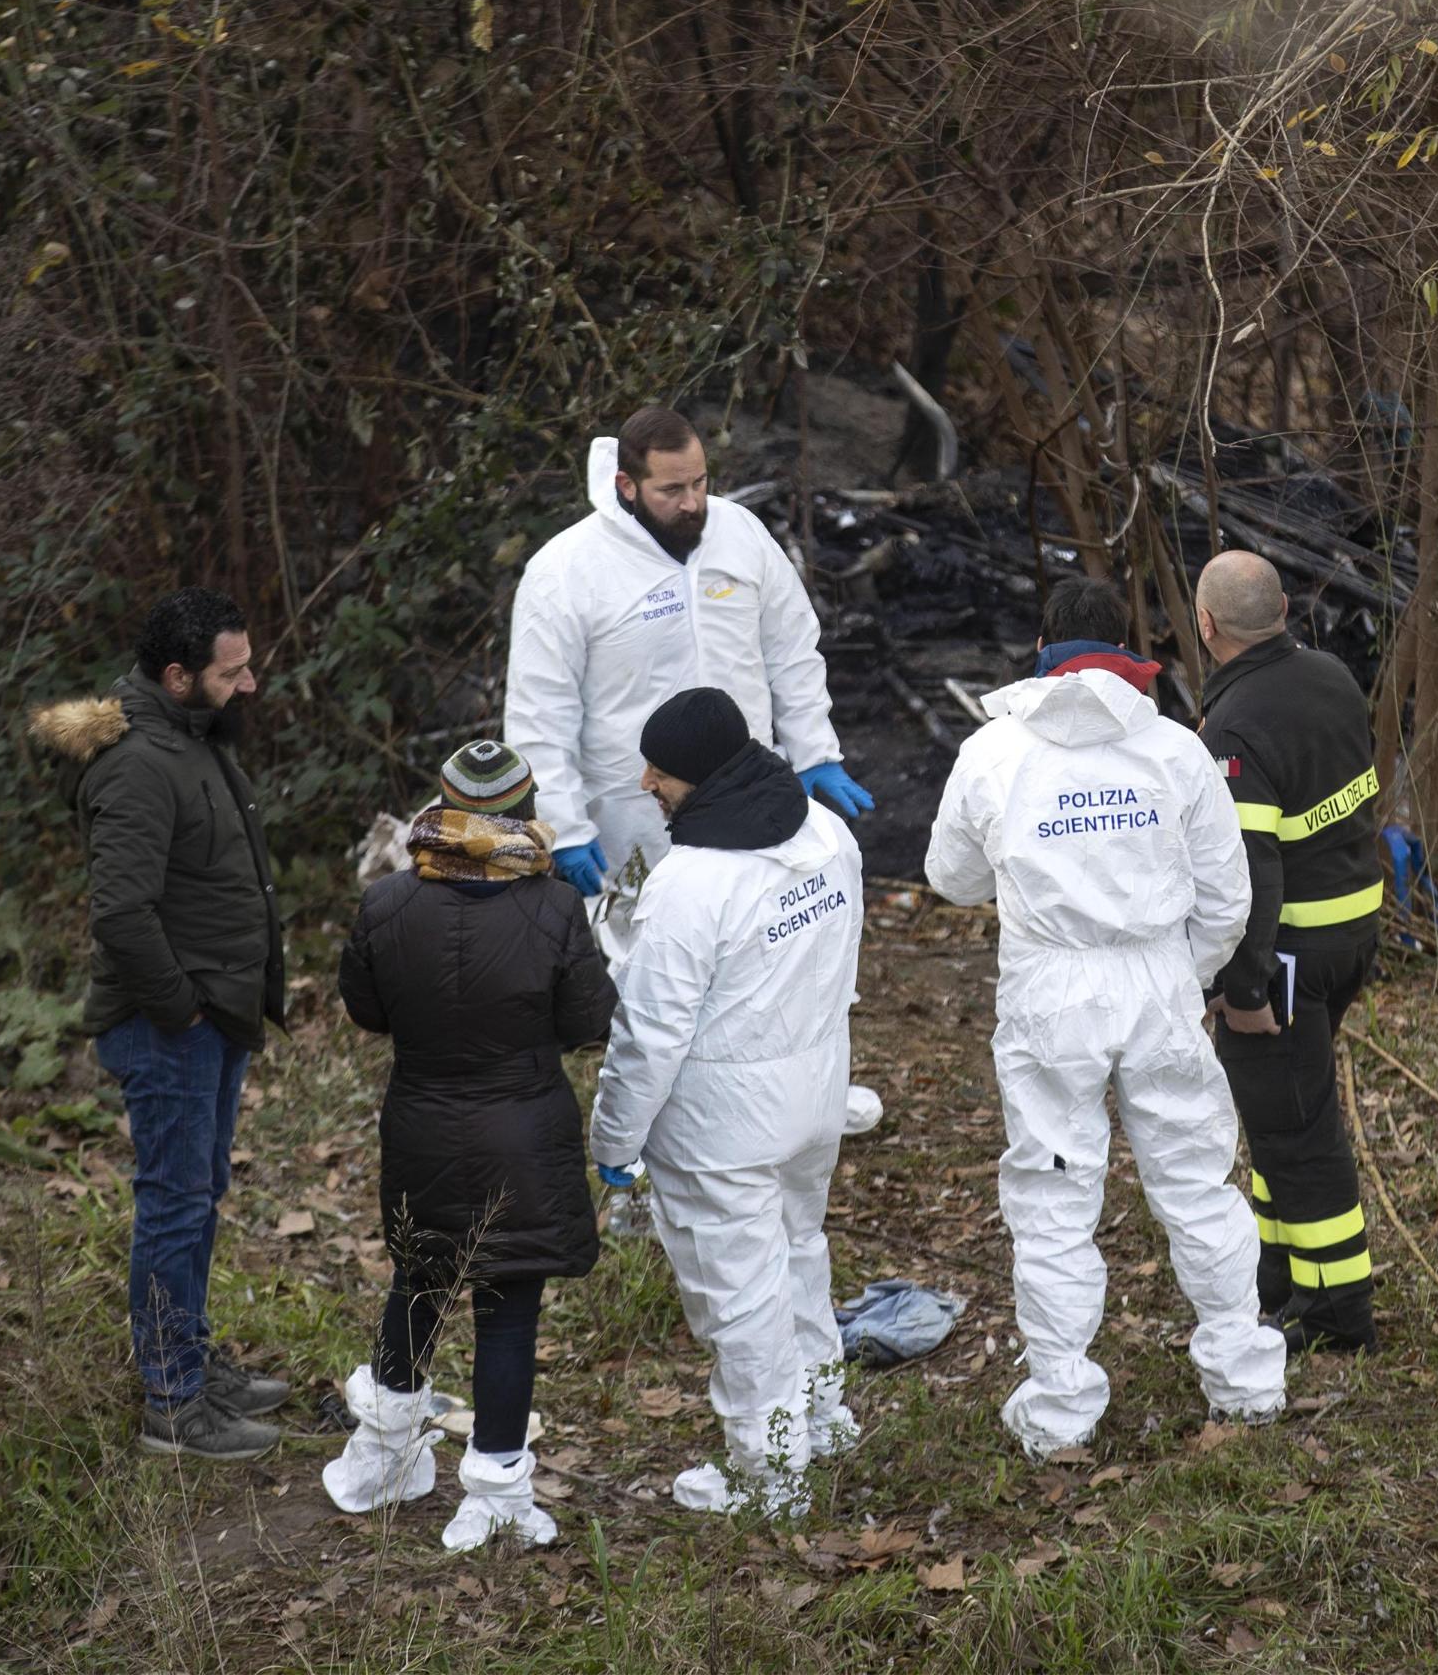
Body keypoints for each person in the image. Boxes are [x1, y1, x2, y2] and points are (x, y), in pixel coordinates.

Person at [923, 577, 1288, 1455]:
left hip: (1052, 995)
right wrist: (1181, 974)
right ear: (1127, 646)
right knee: (1198, 1182)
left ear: (1043, 649)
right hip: (1159, 980)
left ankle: (1060, 1407)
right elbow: (1226, 895)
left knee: (1052, 1195)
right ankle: (1243, 1380)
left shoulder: (994, 753)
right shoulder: (1172, 748)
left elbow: (951, 878)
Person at [323, 740, 616, 1549]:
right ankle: (492, 1492)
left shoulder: (387, 902)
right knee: (508, 1309)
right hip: (522, 1128)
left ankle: (383, 1454)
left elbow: (367, 1010)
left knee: (418, 1281)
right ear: (524, 812)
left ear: (443, 808)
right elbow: (589, 1021)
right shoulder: (554, 906)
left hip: (420, 1121)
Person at [29, 588, 293, 1458]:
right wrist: (180, 1007)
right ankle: (173, 1402)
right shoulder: (139, 765)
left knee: (196, 1195)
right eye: (232, 671)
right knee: (174, 1206)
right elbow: (122, 915)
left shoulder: (189, 737)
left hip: (213, 1015)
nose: (248, 684)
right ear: (178, 677)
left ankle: (191, 1360)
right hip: (173, 1025)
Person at [588, 686, 863, 1514]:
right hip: (814, 1100)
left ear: (702, 778)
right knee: (799, 1255)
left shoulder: (691, 884)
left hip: (722, 1131)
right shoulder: (825, 833)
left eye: (660, 772)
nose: (645, 784)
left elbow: (648, 1036)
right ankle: (822, 1412)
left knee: (738, 1297)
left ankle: (771, 1472)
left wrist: (613, 1141)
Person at [504, 405, 873, 958]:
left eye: (701, 482)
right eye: (672, 489)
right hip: (634, 802)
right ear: (626, 485)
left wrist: (814, 750)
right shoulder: (566, 571)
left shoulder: (739, 534)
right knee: (647, 949)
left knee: (751, 936)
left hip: (746, 785)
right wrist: (564, 824)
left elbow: (791, 647)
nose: (693, 502)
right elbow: (541, 710)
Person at [1193, 551, 1384, 1354]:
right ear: (1280, 611)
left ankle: (1339, 1313)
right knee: (1277, 1121)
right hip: (1353, 937)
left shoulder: (1235, 724)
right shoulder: (1334, 676)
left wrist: (1243, 988)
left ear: (1208, 627)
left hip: (1289, 956)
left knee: (1300, 1132)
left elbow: (1250, 875)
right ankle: (1283, 1276)